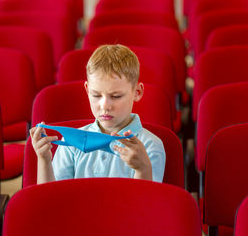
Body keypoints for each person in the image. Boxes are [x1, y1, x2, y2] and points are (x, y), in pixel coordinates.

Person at [30, 44, 166, 184]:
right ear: (87, 90)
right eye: (96, 95)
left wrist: (143, 170)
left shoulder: (150, 146)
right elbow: (50, 199)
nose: (105, 106)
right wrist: (44, 160)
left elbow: (146, 204)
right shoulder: (72, 142)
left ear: (137, 92)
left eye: (116, 96)